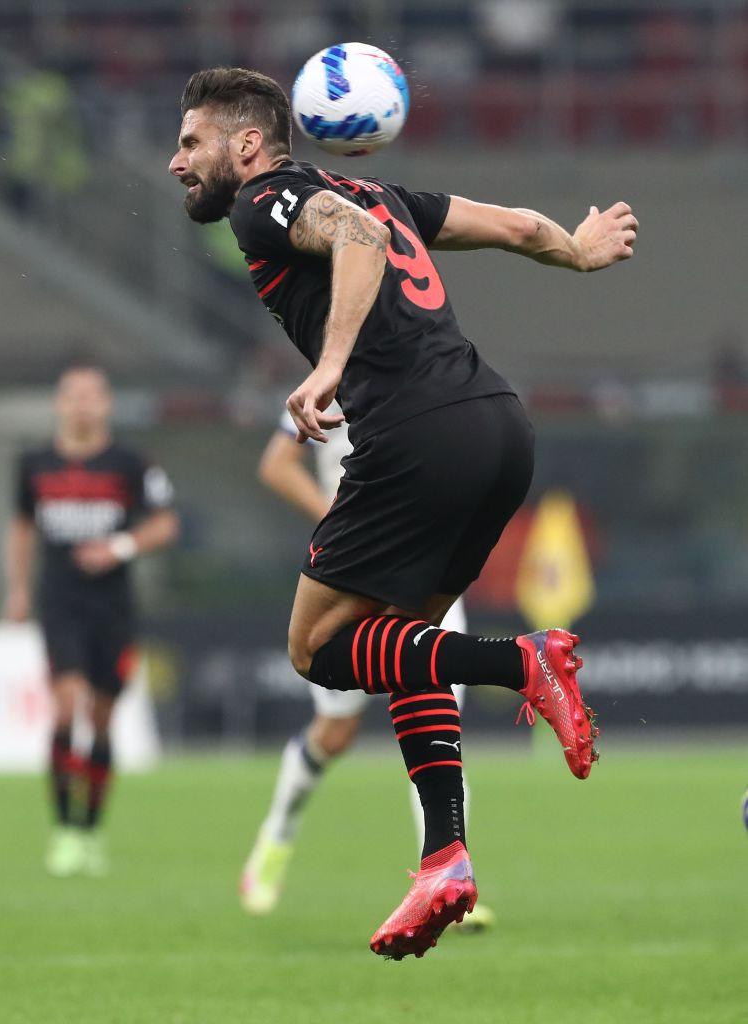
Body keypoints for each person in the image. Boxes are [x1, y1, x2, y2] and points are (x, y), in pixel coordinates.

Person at [169, 67, 636, 959]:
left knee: (317, 649)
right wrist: (577, 252)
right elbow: (516, 227)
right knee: (404, 646)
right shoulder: (379, 190)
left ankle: (520, 661)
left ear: (248, 144)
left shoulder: (263, 202)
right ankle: (443, 860)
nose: (175, 160)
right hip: (496, 425)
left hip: (414, 437)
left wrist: (328, 364)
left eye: (191, 142)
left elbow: (355, 241)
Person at [240, 405, 493, 932]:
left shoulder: (432, 381)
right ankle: (276, 837)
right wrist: (342, 522)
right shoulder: (330, 384)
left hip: (426, 570)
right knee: (335, 734)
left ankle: (446, 881)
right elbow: (277, 464)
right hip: (352, 574)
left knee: (439, 727)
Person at [5, 365, 179, 877]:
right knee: (65, 707)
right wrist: (18, 589)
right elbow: (21, 528)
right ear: (59, 404)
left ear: (106, 404)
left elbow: (166, 523)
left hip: (113, 608)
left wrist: (119, 547)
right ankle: (63, 829)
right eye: (73, 395)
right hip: (60, 603)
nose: (82, 405)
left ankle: (91, 829)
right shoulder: (34, 464)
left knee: (101, 718)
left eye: (91, 396)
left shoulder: (130, 463)